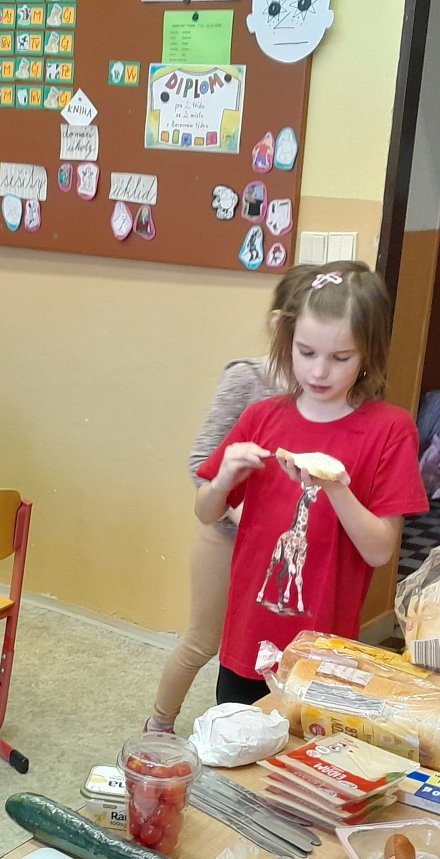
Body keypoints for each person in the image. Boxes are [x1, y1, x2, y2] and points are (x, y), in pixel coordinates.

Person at [194, 261, 428, 705]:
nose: (320, 372)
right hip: (247, 642)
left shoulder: (390, 430)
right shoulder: (261, 417)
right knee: (236, 738)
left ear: (368, 355)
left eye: (340, 358)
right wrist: (222, 480)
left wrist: (337, 487)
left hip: (324, 651)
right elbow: (206, 512)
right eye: (306, 352)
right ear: (287, 343)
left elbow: (379, 550)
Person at [147, 261, 329, 734]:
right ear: (282, 327)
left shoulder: (331, 398)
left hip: (286, 547)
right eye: (308, 345)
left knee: (282, 654)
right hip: (227, 538)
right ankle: (159, 725)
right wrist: (244, 512)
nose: (320, 365)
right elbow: (201, 462)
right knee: (203, 641)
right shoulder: (247, 379)